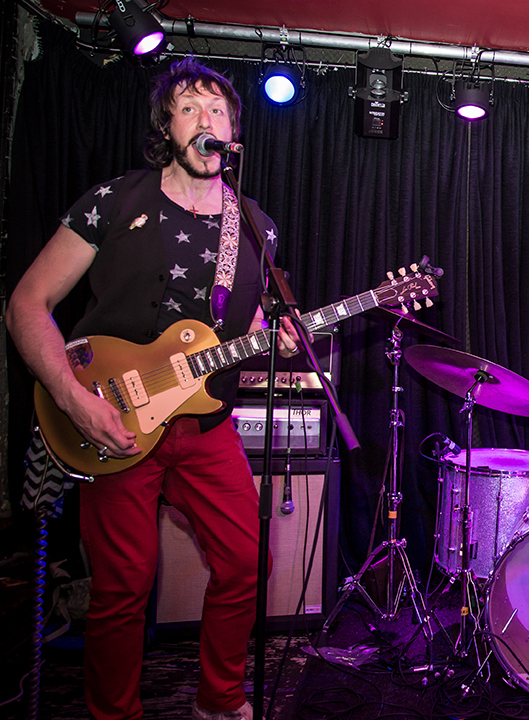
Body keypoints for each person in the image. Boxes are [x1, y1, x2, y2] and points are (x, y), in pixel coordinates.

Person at [6, 57, 302, 720]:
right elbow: (27, 302)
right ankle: (114, 711)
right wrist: (71, 397)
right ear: (166, 126)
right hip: (109, 415)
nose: (208, 120)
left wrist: (269, 337)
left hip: (203, 428)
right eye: (191, 107)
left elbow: (235, 331)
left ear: (234, 134)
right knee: (122, 586)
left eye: (219, 110)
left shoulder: (253, 226)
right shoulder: (114, 201)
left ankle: (219, 699)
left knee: (243, 564)